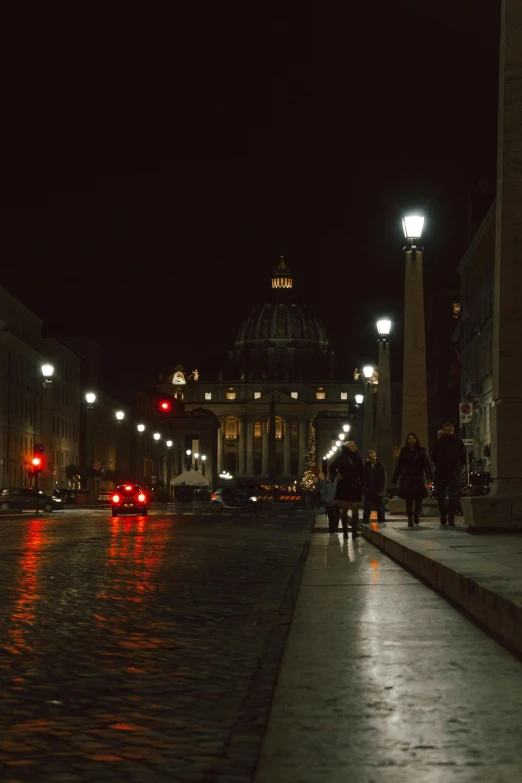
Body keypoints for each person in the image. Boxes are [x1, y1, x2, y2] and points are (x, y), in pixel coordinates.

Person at [430, 422, 466, 526]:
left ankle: (451, 517)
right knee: (440, 495)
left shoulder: (458, 442)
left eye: (449, 430)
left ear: (453, 431)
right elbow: (434, 456)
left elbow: (462, 457)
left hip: (453, 472)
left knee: (453, 495)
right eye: (445, 430)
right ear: (442, 431)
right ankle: (443, 514)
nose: (447, 432)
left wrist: (457, 465)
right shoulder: (439, 442)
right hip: (442, 471)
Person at [392, 433, 432, 527]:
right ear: (407, 440)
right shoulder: (404, 451)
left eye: (413, 438)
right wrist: (395, 478)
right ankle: (410, 518)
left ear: (416, 439)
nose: (411, 440)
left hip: (418, 478)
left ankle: (416, 515)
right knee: (408, 500)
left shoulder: (421, 451)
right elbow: (399, 465)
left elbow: (426, 465)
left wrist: (429, 477)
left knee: (418, 500)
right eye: (410, 438)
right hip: (407, 478)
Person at [329, 441, 363, 540]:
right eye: (352, 445)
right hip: (344, 486)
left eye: (354, 445)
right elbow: (332, 467)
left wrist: (363, 483)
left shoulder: (357, 458)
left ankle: (354, 532)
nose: (354, 447)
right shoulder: (342, 458)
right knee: (344, 509)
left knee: (355, 508)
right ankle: (345, 532)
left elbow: (361, 472)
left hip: (355, 486)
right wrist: (337, 474)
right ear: (347, 447)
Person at [362, 449, 386, 523]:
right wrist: (365, 488)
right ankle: (365, 521)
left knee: (380, 507)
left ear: (375, 457)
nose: (370, 460)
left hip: (377, 490)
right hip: (368, 490)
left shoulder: (380, 466)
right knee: (367, 508)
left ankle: (381, 521)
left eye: (372, 458)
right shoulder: (366, 466)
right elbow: (364, 478)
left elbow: (383, 479)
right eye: (369, 458)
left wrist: (382, 490)